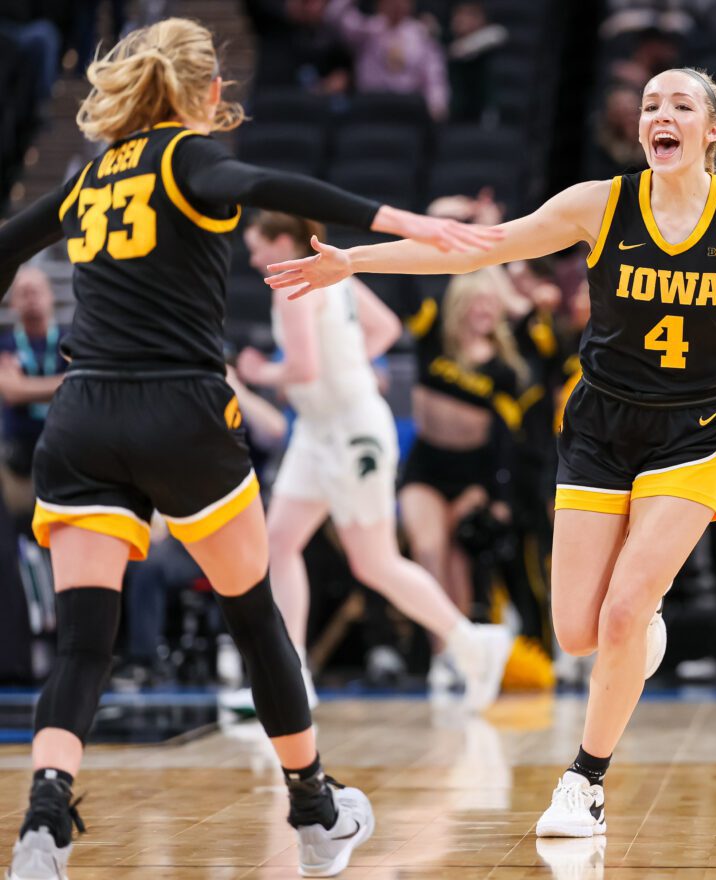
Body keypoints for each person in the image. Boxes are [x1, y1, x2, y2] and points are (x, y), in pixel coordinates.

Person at [266, 66, 716, 836]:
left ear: (714, 130)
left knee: (618, 615)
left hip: (695, 432)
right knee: (580, 632)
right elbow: (479, 251)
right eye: (651, 104)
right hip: (600, 429)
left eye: (682, 105)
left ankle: (585, 782)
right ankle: (640, 628)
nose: (662, 114)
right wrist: (356, 262)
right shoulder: (598, 203)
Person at [0, 18, 498, 880]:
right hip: (180, 412)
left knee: (86, 642)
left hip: (82, 417)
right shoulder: (185, 156)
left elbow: (8, 241)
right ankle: (313, 807)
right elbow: (266, 178)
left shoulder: (91, 175)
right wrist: (400, 221)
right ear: (199, 95)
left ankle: (44, 816)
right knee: (254, 611)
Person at [231, 210, 512, 712]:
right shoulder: (330, 271)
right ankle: (290, 674)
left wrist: (258, 371)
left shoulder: (290, 285)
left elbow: (302, 367)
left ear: (283, 240)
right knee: (279, 543)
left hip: (351, 433)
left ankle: (471, 643)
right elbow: (385, 326)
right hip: (320, 431)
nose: (253, 258)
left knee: (374, 561)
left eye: (258, 246)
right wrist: (351, 363)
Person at [399, 266, 526, 689]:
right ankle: (442, 657)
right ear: (460, 305)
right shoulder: (433, 335)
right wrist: (429, 229)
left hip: (471, 475)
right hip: (426, 467)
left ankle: (463, 654)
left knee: (458, 564)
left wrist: (498, 495)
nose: (484, 308)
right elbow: (405, 287)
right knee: (429, 550)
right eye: (476, 300)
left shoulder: (504, 370)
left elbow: (504, 442)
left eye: (491, 301)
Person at [0, 267, 67, 531]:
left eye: (35, 290)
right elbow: (11, 392)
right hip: (20, 458)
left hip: (64, 453)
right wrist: (57, 386)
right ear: (13, 302)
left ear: (50, 295)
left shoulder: (68, 340)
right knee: (21, 530)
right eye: (23, 292)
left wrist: (24, 386)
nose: (30, 297)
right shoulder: (5, 344)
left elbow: (77, 383)